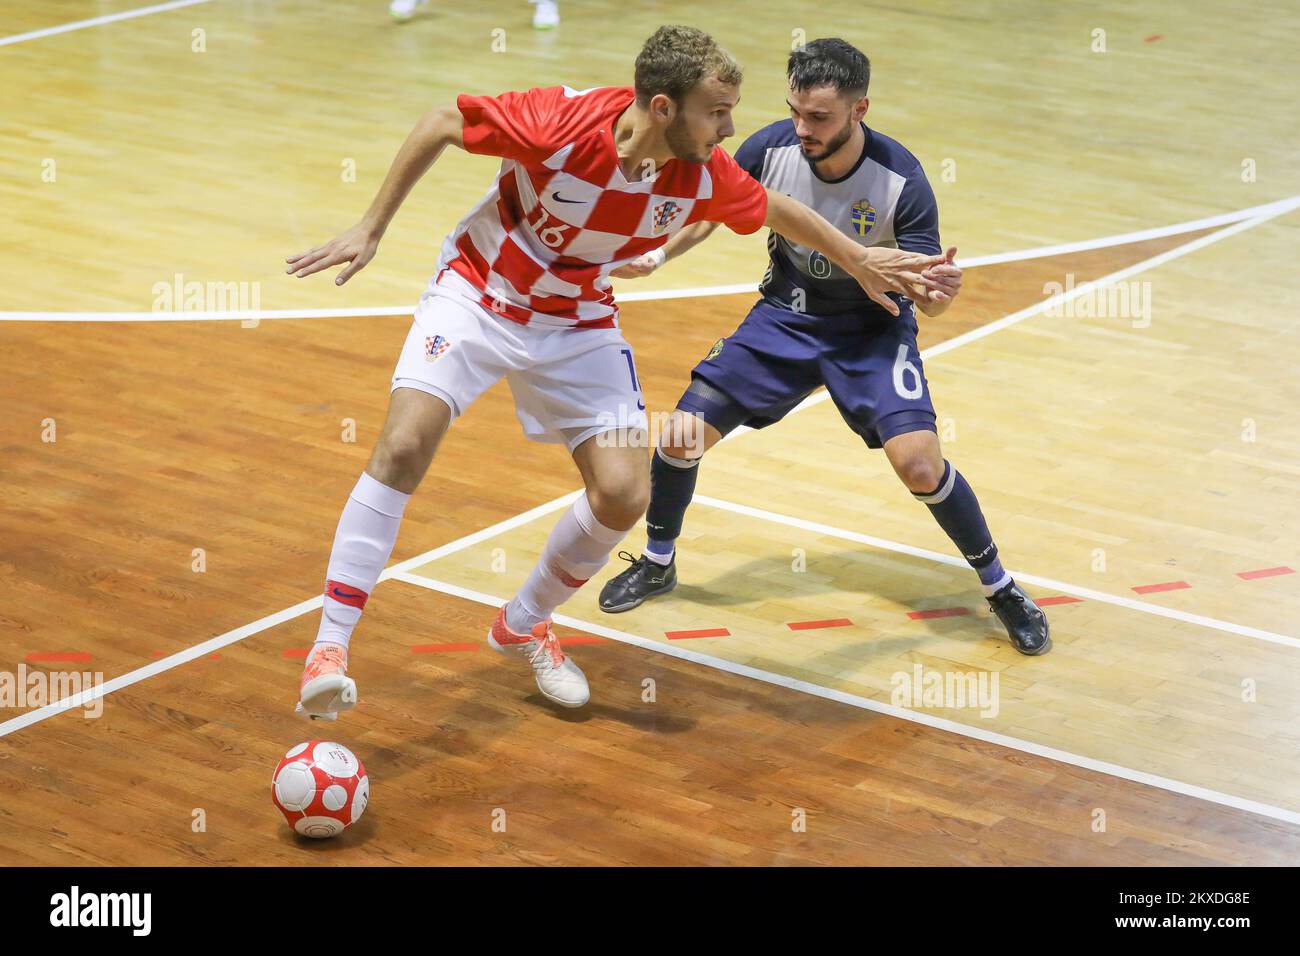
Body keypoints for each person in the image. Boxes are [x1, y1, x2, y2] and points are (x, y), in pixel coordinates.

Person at [285, 25, 946, 719]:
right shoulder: (561, 122)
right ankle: (329, 646)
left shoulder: (700, 171)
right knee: (403, 446)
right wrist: (371, 226)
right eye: (716, 111)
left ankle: (524, 621)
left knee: (625, 494)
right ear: (664, 109)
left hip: (577, 319)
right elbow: (443, 119)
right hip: (480, 295)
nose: (730, 128)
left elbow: (776, 209)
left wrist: (861, 259)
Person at [598, 38, 1051, 656]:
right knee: (679, 436)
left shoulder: (902, 181)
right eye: (795, 112)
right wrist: (656, 253)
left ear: (859, 109)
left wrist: (942, 290)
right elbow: (708, 209)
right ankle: (657, 560)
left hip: (870, 329)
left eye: (820, 117)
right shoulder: (769, 149)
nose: (802, 128)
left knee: (919, 463)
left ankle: (1000, 588)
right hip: (785, 317)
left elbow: (931, 298)